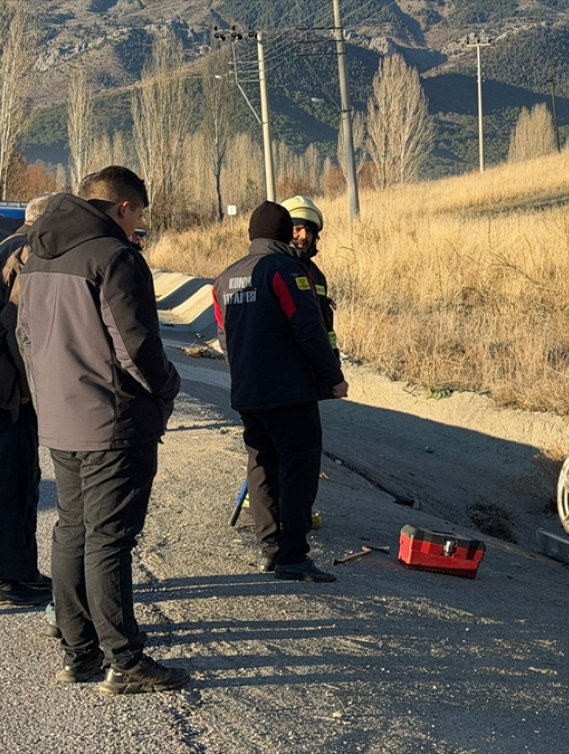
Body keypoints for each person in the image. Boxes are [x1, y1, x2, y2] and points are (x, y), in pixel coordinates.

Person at [18, 166, 189, 694]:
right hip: (113, 420)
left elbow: (25, 336)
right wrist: (167, 387)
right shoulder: (115, 257)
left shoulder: (39, 255)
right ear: (123, 207)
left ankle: (79, 653)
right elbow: (134, 346)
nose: (138, 225)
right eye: (139, 214)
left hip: (61, 419)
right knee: (110, 539)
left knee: (72, 529)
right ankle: (125, 659)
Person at [213, 201, 347, 583]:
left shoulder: (225, 278)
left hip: (247, 391)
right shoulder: (287, 271)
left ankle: (271, 548)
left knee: (261, 465)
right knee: (299, 469)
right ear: (286, 232)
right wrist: (332, 377)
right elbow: (309, 329)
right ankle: (293, 555)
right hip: (290, 392)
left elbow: (225, 337)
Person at [0, 193, 53, 607]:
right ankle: (14, 577)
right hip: (11, 394)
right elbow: (20, 328)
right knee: (16, 484)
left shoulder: (7, 246)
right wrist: (37, 386)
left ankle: (19, 572)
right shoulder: (28, 253)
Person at [280, 196, 338, 361]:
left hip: (314, 368)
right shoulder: (273, 270)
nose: (304, 236)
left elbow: (325, 327)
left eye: (310, 230)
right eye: (297, 228)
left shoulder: (316, 275)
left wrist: (334, 360)